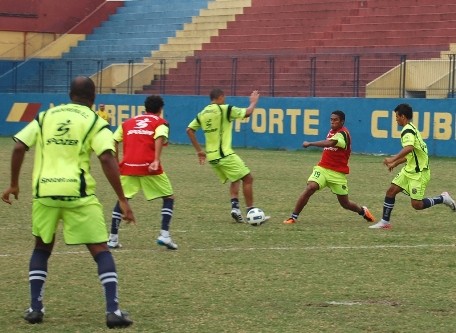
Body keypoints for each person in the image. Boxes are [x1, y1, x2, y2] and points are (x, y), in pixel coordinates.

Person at [1, 76, 135, 329]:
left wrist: (14, 183)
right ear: (93, 98)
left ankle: (34, 309)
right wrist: (122, 198)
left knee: (41, 248)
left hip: (45, 193)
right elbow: (107, 158)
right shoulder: (95, 120)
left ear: (69, 94)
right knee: (100, 250)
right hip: (78, 194)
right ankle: (113, 311)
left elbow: (19, 146)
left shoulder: (46, 116)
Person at [186, 88, 268, 223]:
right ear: (220, 97)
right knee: (248, 179)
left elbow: (189, 130)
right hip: (224, 154)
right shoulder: (224, 109)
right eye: (224, 98)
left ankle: (235, 208)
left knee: (234, 178)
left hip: (212, 157)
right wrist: (253, 102)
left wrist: (199, 151)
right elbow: (247, 113)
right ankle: (251, 212)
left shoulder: (203, 113)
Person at [107, 95, 177, 250]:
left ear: (145, 108)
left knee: (122, 199)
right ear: (160, 110)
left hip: (128, 166)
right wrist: (156, 159)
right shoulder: (161, 122)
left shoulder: (127, 123)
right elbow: (160, 137)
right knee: (169, 197)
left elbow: (113, 140)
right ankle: (164, 235)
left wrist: (116, 160)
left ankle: (112, 239)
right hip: (148, 166)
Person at [369, 103, 455, 229]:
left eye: (397, 116)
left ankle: (443, 198)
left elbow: (409, 148)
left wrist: (393, 158)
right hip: (409, 169)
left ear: (402, 116)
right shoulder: (411, 128)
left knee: (416, 204)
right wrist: (395, 163)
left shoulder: (407, 131)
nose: (396, 119)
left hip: (419, 173)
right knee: (391, 191)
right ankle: (384, 222)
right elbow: (412, 154)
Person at [283, 110, 375, 225]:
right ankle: (293, 217)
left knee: (345, 203)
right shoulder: (332, 131)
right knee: (311, 187)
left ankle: (362, 211)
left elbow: (330, 143)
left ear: (342, 121)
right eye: (331, 120)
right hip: (322, 168)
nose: (332, 122)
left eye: (335, 120)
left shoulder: (343, 134)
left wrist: (311, 143)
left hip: (337, 174)